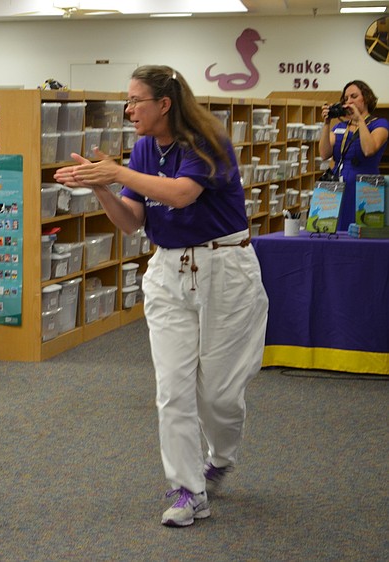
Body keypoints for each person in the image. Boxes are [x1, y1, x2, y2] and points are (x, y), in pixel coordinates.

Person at [54, 65, 268, 527]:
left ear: (165, 104)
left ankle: (221, 457)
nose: (129, 110)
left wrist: (117, 169)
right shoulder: (146, 149)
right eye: (128, 101)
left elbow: (181, 195)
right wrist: (102, 186)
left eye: (136, 101)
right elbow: (132, 221)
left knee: (219, 395)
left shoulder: (207, 140)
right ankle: (189, 490)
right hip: (170, 272)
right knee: (172, 390)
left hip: (225, 271)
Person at [318, 80, 389, 232]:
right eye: (345, 98)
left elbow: (369, 149)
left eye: (354, 96)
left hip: (366, 188)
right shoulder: (339, 126)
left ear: (366, 98)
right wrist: (326, 123)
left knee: (363, 232)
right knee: (335, 231)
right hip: (338, 187)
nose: (349, 101)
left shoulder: (379, 124)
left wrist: (359, 120)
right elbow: (324, 153)